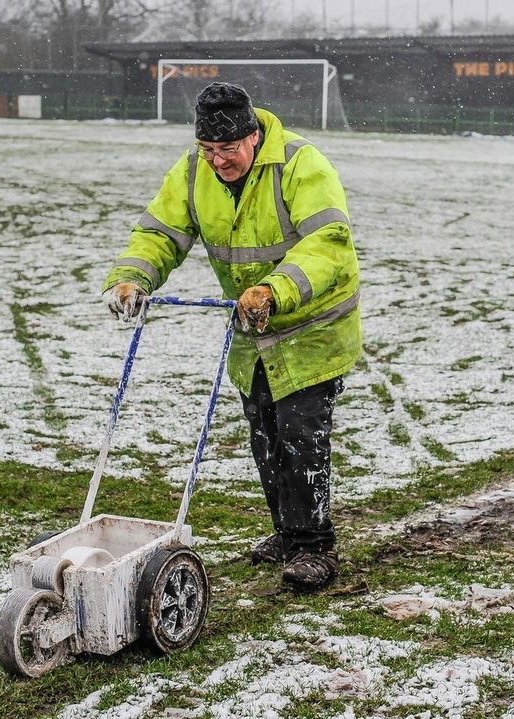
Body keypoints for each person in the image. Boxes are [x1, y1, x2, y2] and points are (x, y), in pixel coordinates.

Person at [101, 82, 361, 591]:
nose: (218, 161)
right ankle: (287, 533)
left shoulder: (300, 165)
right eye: (209, 150)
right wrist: (132, 276)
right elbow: (159, 233)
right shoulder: (194, 172)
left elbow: (329, 245)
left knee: (300, 434)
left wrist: (275, 288)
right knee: (265, 434)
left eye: (228, 150)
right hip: (252, 332)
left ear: (254, 136)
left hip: (313, 329)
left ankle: (315, 547)